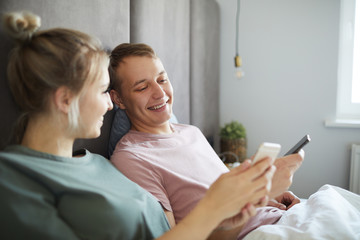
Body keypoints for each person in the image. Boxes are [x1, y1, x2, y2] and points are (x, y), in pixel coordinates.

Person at [0, 11, 276, 240]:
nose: (109, 105)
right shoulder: (14, 179)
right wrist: (212, 208)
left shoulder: (97, 163)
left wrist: (227, 215)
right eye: (101, 91)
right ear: (65, 100)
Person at [108, 43, 304, 239]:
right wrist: (252, 206)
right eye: (142, 87)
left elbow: (227, 193)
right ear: (118, 99)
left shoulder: (191, 132)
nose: (160, 93)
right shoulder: (131, 157)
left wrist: (267, 195)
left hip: (279, 218)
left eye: (162, 79)